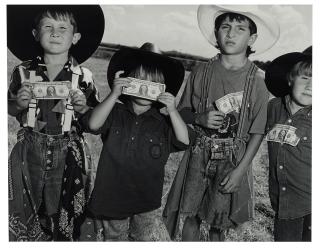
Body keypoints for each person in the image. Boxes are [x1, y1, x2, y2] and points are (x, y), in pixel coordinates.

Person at [163, 5, 279, 241]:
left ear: (252, 38)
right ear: (216, 33)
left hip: (233, 159)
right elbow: (181, 112)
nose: (231, 34)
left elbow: (258, 132)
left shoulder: (258, 81)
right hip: (198, 153)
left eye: (240, 28)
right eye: (225, 27)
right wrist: (199, 118)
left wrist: (240, 171)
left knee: (219, 223)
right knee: (191, 216)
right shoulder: (201, 71)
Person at [7, 5, 105, 241]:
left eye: (63, 28)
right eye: (47, 26)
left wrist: (83, 108)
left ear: (76, 37)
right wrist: (18, 104)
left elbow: (94, 123)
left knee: (63, 208)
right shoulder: (22, 72)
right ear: (35, 33)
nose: (55, 33)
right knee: (26, 204)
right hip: (29, 148)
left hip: (68, 151)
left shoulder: (84, 77)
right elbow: (9, 108)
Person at [80, 42, 190, 241]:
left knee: (142, 240)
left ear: (163, 88)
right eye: (139, 81)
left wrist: (173, 110)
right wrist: (114, 94)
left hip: (146, 202)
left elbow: (184, 140)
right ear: (126, 82)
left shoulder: (164, 121)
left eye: (153, 84)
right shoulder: (115, 112)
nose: (145, 88)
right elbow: (94, 125)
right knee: (115, 239)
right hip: (112, 198)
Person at [265, 47, 312, 241]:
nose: (311, 86)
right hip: (284, 203)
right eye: (305, 78)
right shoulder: (274, 108)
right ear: (290, 78)